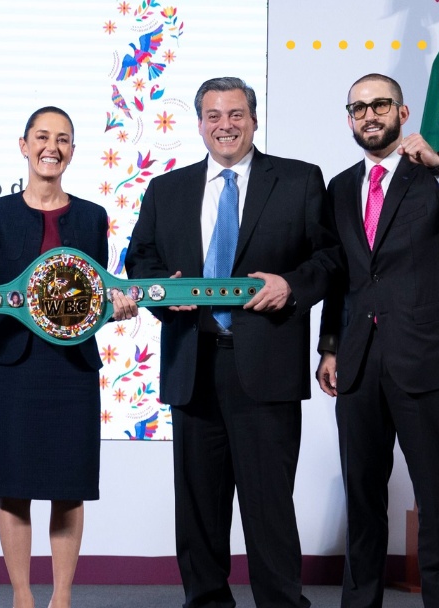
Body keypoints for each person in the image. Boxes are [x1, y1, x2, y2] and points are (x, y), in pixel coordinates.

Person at [125, 77, 339, 608]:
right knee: (199, 507)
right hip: (192, 364)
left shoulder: (299, 180)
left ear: (254, 119)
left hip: (267, 367)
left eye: (236, 114)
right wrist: (161, 293)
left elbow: (331, 260)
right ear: (199, 123)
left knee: (269, 505)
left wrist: (291, 286)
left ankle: (281, 603)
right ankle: (206, 602)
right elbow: (141, 259)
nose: (225, 125)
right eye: (214, 115)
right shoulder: (165, 189)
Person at [316, 73, 439, 608]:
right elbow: (339, 275)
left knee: (435, 498)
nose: (370, 115)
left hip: (422, 356)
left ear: (402, 111)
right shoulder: (340, 187)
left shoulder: (433, 173)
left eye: (380, 105)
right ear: (349, 117)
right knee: (363, 499)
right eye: (359, 108)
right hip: (358, 361)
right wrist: (328, 346)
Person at [0, 106, 137, 608]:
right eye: (41, 137)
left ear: (73, 150)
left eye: (63, 139)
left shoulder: (94, 216)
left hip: (73, 368)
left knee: (68, 485)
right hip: (16, 364)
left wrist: (117, 311)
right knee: (14, 485)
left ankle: (61, 597)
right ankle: (21, 596)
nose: (51, 147)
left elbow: (95, 298)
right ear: (24, 145)